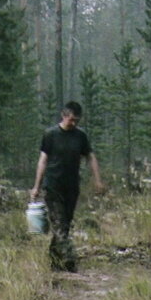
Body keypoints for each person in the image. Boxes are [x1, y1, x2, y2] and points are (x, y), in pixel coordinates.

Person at [29, 101, 106, 272]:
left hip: (71, 187)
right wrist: (37, 186)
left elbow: (91, 157)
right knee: (59, 223)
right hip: (53, 186)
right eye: (71, 120)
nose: (74, 123)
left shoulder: (80, 136)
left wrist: (97, 180)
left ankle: (55, 261)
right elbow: (43, 161)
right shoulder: (50, 134)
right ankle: (69, 261)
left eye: (77, 120)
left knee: (64, 225)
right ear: (63, 116)